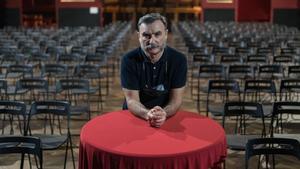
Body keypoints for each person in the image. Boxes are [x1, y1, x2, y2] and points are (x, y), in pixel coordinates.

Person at [121, 13, 187, 128]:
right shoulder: (128, 60)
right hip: (136, 115)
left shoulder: (179, 60)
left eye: (157, 34)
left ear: (166, 34)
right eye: (146, 35)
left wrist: (163, 113)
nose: (152, 41)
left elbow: (176, 100)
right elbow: (131, 100)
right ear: (139, 36)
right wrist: (148, 114)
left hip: (165, 115)